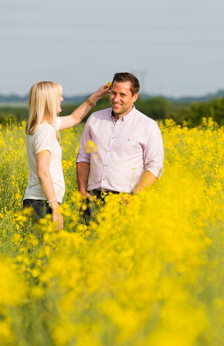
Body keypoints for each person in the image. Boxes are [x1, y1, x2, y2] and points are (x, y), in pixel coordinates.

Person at [23, 81, 109, 230]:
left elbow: (75, 118)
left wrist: (95, 96)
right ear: (49, 100)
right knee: (46, 252)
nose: (62, 99)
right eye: (59, 96)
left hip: (39, 201)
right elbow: (43, 172)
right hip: (42, 203)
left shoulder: (42, 125)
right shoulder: (45, 130)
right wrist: (55, 208)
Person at [76, 72, 164, 217]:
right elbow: (83, 157)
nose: (116, 99)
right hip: (92, 199)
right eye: (113, 93)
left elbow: (155, 166)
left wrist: (134, 196)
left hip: (126, 200)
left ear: (134, 97)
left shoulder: (148, 126)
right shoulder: (95, 119)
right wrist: (82, 190)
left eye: (122, 95)